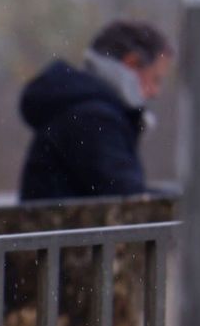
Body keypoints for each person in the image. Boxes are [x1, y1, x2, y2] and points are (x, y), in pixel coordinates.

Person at [17, 20, 173, 202]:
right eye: (155, 79)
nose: (155, 92)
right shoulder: (94, 119)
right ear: (132, 63)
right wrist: (191, 206)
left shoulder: (81, 106)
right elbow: (129, 200)